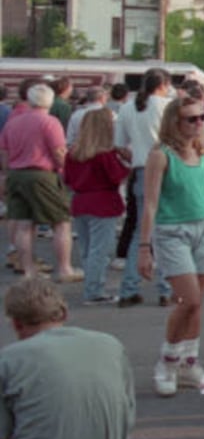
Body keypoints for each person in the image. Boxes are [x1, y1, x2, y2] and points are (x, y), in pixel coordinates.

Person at [0, 278, 134, 439]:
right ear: (64, 312)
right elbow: (128, 408)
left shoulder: (8, 360)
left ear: (16, 324)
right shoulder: (109, 344)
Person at [139, 96, 204, 397]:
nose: (199, 123)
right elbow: (150, 202)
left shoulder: (202, 150)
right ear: (174, 122)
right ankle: (167, 362)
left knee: (197, 302)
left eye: (202, 117)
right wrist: (144, 246)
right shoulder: (161, 155)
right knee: (187, 300)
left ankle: (189, 363)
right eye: (191, 119)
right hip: (173, 231)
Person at [0, 83, 79, 282]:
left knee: (24, 224)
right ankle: (64, 269)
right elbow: (59, 152)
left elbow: (4, 152)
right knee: (61, 222)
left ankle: (28, 271)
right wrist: (65, 171)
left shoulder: (13, 122)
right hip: (42, 174)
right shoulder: (50, 122)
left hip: (16, 174)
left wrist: (7, 172)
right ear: (50, 101)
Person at [114, 68, 174, 306]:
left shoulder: (127, 107)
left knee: (141, 231)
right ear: (164, 84)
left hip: (140, 169)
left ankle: (129, 287)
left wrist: (136, 157)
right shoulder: (168, 106)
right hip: (168, 168)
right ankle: (166, 289)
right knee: (168, 231)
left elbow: (119, 145)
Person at [63, 109, 131, 305]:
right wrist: (126, 160)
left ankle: (92, 286)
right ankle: (94, 290)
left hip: (80, 200)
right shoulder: (106, 154)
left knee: (87, 250)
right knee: (100, 251)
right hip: (103, 202)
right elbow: (117, 177)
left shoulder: (73, 153)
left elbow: (67, 179)